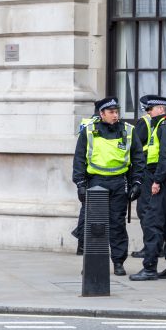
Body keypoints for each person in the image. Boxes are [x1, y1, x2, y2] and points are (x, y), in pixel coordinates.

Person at [72, 97, 145, 276]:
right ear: (101, 113)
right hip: (96, 182)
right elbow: (79, 159)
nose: (115, 115)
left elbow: (138, 158)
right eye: (111, 112)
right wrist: (80, 184)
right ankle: (91, 262)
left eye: (117, 111)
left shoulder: (128, 130)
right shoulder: (89, 131)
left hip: (119, 183)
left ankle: (118, 262)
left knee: (117, 225)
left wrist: (137, 182)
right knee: (94, 226)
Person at [130, 96, 166, 281]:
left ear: (161, 109)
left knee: (153, 222)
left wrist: (157, 181)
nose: (148, 112)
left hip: (163, 178)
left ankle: (150, 268)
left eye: (151, 109)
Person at [130, 95, 158, 259]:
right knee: (157, 211)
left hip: (147, 169)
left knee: (145, 209)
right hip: (160, 170)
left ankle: (150, 247)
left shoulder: (144, 122)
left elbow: (135, 147)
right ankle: (156, 246)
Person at [70, 109, 100, 256]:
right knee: (89, 212)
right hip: (92, 175)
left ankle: (81, 242)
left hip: (88, 175)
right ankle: (82, 242)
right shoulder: (95, 126)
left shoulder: (87, 123)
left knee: (86, 211)